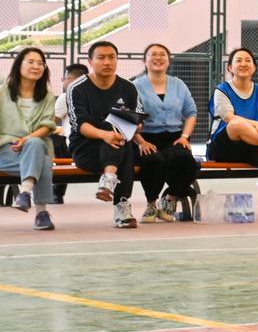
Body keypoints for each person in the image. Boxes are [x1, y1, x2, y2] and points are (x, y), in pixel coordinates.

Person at [206, 48, 258, 220]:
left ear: (254, 67)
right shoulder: (222, 90)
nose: (243, 63)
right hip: (223, 147)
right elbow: (229, 117)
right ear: (230, 67)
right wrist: (256, 124)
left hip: (251, 144)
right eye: (238, 60)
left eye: (248, 60)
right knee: (236, 125)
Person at [66, 39, 140, 228]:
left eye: (111, 57)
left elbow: (138, 120)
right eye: (101, 58)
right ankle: (121, 205)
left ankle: (109, 180)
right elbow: (80, 125)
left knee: (121, 139)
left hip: (118, 146)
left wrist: (135, 126)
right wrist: (106, 134)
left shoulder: (128, 88)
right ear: (90, 62)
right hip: (86, 151)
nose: (107, 62)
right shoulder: (77, 88)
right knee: (114, 133)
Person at [133, 42, 199, 223]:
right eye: (153, 54)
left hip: (173, 138)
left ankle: (170, 199)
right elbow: (130, 119)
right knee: (154, 161)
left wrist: (185, 136)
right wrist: (141, 142)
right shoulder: (135, 86)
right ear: (144, 61)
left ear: (169, 60)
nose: (158, 58)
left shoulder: (178, 84)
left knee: (186, 161)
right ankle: (151, 204)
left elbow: (191, 113)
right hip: (145, 138)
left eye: (162, 54)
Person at [0, 46, 57, 231]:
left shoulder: (47, 95)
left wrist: (26, 140)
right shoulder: (2, 92)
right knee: (43, 162)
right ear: (19, 65)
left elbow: (48, 125)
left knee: (35, 144)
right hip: (5, 150)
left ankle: (24, 192)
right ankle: (41, 213)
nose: (36, 66)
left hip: (35, 146)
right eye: (31, 62)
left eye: (40, 63)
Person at [51, 60, 86, 204]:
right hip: (94, 145)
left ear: (72, 79)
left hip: (73, 148)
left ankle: (57, 192)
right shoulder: (92, 95)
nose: (63, 82)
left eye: (64, 78)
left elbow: (49, 123)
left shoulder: (65, 96)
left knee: (51, 138)